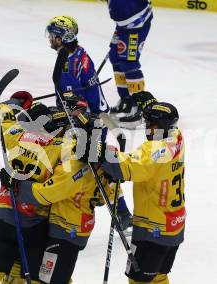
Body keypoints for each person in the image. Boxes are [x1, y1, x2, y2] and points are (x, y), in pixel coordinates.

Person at [46, 15, 134, 232]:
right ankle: (121, 213)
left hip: (89, 122)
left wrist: (60, 115)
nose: (50, 38)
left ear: (62, 37)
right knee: (94, 165)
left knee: (94, 167)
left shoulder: (66, 63)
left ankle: (122, 213)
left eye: (53, 35)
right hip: (97, 117)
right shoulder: (77, 52)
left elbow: (77, 105)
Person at [89, 91, 185, 283]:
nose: (148, 128)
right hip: (175, 226)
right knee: (158, 278)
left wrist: (96, 150)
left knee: (138, 281)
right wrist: (151, 107)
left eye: (151, 125)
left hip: (153, 231)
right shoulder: (177, 137)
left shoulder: (155, 150)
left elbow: (124, 167)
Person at [8, 112, 114, 284]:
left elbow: (50, 192)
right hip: (80, 226)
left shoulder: (74, 161)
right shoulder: (103, 158)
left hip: (65, 228)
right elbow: (103, 199)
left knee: (50, 279)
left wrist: (18, 185)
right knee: (59, 275)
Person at [0, 92, 72, 284]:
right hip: (34, 223)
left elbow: (0, 112)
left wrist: (18, 102)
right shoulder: (59, 147)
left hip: (4, 216)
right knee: (28, 272)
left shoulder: (16, 135)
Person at [106, 0, 153, 129]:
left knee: (129, 62)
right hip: (123, 24)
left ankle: (138, 107)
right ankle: (126, 99)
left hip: (136, 22)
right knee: (115, 56)